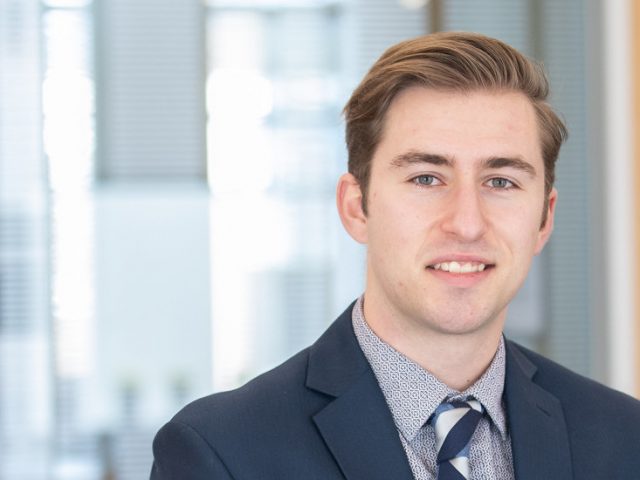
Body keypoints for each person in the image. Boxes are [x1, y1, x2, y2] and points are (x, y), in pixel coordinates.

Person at [150, 32, 640, 480]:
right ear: (356, 207)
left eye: (501, 181)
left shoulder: (623, 438)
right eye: (426, 178)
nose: (466, 223)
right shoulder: (224, 452)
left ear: (544, 218)